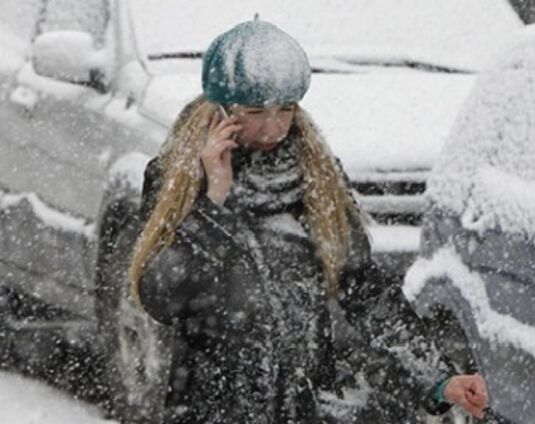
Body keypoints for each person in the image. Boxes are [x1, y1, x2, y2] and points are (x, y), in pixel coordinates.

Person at [128, 19, 488, 424]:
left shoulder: (315, 180)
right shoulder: (177, 178)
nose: (273, 127)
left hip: (303, 407)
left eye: (286, 109)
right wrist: (214, 200)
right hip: (211, 407)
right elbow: (161, 297)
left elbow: (365, 291)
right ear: (224, 108)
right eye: (255, 111)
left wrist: (438, 378)